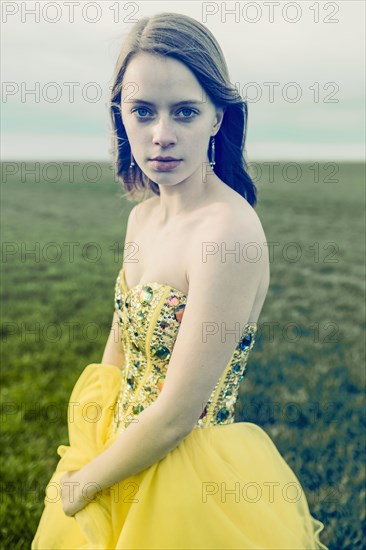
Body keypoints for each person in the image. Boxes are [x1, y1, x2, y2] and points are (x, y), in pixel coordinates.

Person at [31, 12, 328, 549]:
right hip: (120, 451)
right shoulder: (142, 217)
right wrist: (91, 446)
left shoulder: (229, 233)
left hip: (188, 480)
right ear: (120, 114)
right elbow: (117, 345)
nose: (161, 136)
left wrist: (81, 487)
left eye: (185, 112)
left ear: (218, 116)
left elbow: (176, 414)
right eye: (142, 111)